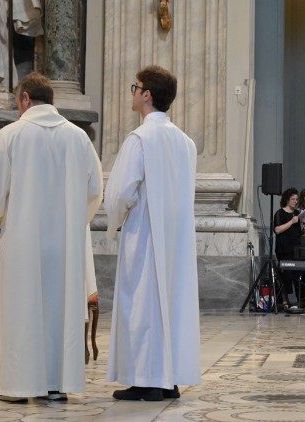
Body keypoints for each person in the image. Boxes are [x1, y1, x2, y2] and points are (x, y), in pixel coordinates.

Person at [0, 72, 103, 402]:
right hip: (64, 246)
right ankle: (56, 385)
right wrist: (74, 222)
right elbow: (94, 189)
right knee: (59, 311)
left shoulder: (11, 136)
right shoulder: (78, 138)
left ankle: (17, 386)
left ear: (25, 99)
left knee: (22, 309)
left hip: (23, 242)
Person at [105, 65, 200, 401]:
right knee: (170, 305)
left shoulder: (140, 138)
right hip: (176, 240)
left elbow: (120, 193)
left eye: (136, 87)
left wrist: (115, 219)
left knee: (142, 306)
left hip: (144, 235)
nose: (132, 92)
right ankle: (168, 378)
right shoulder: (185, 143)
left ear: (147, 95)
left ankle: (146, 380)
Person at [273, 187, 303, 308]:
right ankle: (285, 301)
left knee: (297, 275)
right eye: (293, 199)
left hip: (296, 248)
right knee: (286, 275)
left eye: (296, 199)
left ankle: (299, 300)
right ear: (287, 200)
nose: (295, 201)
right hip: (284, 249)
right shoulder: (279, 213)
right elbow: (277, 229)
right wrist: (292, 221)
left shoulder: (297, 213)